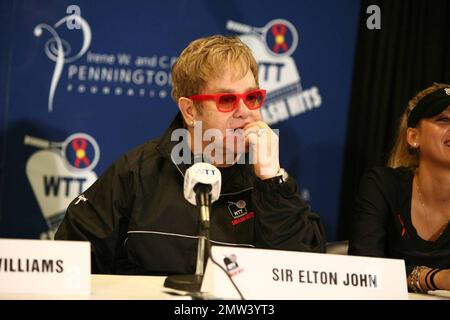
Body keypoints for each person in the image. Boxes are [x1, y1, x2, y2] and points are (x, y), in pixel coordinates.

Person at [55, 35, 326, 275]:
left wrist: (271, 181)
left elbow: (304, 275)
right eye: (227, 100)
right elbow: (70, 263)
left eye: (252, 97)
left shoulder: (270, 182)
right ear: (190, 111)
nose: (244, 110)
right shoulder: (136, 172)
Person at [349, 83, 450, 293]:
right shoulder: (383, 185)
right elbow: (363, 271)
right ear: (413, 137)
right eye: (444, 120)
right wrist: (435, 279)